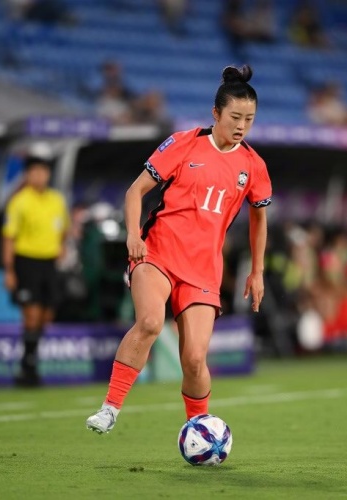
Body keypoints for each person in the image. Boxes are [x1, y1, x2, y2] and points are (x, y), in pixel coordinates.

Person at [86, 64, 272, 434]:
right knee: (150, 323)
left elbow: (259, 218)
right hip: (156, 253)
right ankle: (110, 409)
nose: (241, 126)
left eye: (249, 119)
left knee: (195, 359)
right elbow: (135, 191)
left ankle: (198, 431)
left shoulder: (253, 165)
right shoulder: (183, 143)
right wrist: (133, 235)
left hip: (203, 269)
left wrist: (257, 271)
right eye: (235, 117)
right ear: (215, 113)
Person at [2, 154, 70, 387]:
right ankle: (27, 366)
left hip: (49, 263)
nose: (39, 176)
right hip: (26, 262)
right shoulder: (19, 201)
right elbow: (9, 237)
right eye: (35, 172)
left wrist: (61, 246)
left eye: (43, 171)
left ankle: (30, 358)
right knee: (31, 313)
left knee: (47, 314)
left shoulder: (56, 200)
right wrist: (9, 270)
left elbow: (64, 228)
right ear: (28, 175)